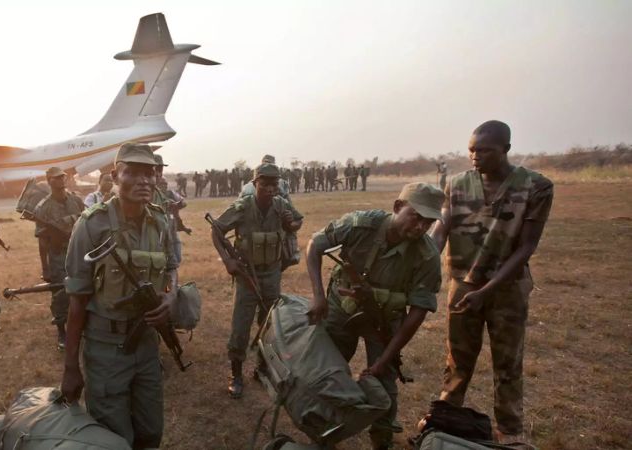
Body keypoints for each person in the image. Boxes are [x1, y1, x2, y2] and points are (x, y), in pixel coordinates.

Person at [432, 120, 553, 443]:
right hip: (463, 286)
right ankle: (446, 416)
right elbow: (442, 229)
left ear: (506, 150)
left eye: (484, 150)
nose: (475, 156)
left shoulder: (535, 187)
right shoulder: (457, 185)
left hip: (507, 289)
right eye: (471, 150)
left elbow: (526, 246)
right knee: (458, 357)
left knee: (507, 361)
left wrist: (487, 290)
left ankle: (509, 430)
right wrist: (425, 262)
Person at [305, 182, 444, 449]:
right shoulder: (360, 225)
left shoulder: (427, 256)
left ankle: (382, 439)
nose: (420, 227)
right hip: (340, 306)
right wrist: (319, 296)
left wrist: (385, 358)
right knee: (328, 369)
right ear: (397, 207)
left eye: (428, 222)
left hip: (383, 320)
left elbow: (417, 314)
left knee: (384, 384)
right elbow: (315, 245)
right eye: (416, 217)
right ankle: (323, 431)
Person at [61, 143, 178, 448]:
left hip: (147, 346)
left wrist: (171, 296)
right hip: (106, 349)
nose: (144, 181)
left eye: (149, 173)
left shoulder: (161, 221)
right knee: (114, 438)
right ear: (115, 175)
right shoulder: (91, 225)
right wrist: (71, 367)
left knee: (151, 431)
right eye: (133, 173)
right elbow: (76, 301)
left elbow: (172, 269)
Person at [211, 162, 303, 399]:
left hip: (272, 273)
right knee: (241, 323)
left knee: (269, 323)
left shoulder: (282, 205)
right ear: (255, 184)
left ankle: (262, 368)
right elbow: (217, 230)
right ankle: (236, 374)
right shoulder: (242, 207)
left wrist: (288, 222)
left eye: (274, 184)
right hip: (247, 275)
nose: (270, 189)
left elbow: (297, 223)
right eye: (264, 184)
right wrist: (227, 261)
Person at [32, 167, 85, 350]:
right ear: (49, 181)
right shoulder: (43, 207)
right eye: (56, 178)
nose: (61, 180)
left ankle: (83, 326)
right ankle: (62, 331)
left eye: (62, 177)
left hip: (78, 253)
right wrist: (45, 268)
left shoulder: (76, 200)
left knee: (83, 288)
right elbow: (42, 241)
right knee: (61, 293)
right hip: (58, 255)